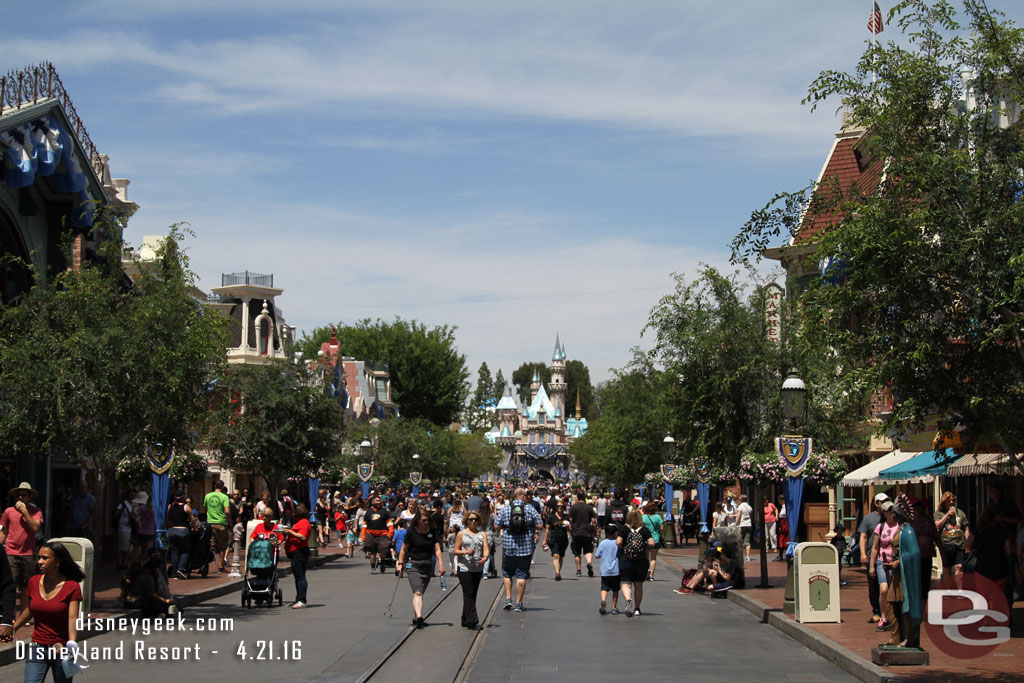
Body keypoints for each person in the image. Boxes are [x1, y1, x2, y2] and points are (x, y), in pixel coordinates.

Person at [12, 541, 83, 683]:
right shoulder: (33, 582)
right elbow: (32, 609)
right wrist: (12, 628)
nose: (40, 562)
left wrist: (71, 645)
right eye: (38, 558)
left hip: (62, 648)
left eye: (45, 558)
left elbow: (72, 618)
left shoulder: (72, 587)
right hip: (37, 647)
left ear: (57, 562)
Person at [496, 487, 543, 612]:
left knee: (507, 573)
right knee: (521, 575)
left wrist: (506, 526)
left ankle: (508, 599)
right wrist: (530, 526)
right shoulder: (530, 509)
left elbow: (496, 525)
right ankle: (518, 603)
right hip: (525, 547)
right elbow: (540, 525)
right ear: (522, 496)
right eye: (526, 495)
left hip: (508, 547)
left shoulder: (506, 509)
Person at [0, 482, 44, 616]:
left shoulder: (36, 512)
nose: (20, 498)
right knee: (10, 584)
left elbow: (35, 527)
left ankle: (24, 615)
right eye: (18, 495)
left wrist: (25, 511)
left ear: (29, 496)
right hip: (11, 553)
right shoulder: (9, 512)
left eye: (23, 495)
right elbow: (4, 531)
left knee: (26, 586)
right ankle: (9, 614)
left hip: (28, 553)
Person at [396, 510, 445, 628]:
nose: (426, 522)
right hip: (413, 564)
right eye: (424, 520)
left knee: (420, 592)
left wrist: (441, 564)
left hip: (427, 565)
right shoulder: (411, 532)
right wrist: (400, 563)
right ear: (417, 520)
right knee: (417, 591)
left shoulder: (432, 532)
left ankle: (415, 617)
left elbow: (437, 549)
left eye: (428, 520)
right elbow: (403, 549)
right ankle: (419, 617)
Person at [454, 511, 489, 629]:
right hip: (464, 567)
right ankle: (472, 619)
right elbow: (456, 550)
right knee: (468, 592)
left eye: (475, 519)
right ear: (466, 521)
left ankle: (464, 618)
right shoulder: (461, 534)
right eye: (470, 519)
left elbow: (486, 548)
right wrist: (465, 552)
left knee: (473, 593)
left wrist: (485, 557)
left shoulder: (482, 534)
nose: (473, 521)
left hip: (477, 567)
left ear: (479, 521)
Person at [869, 500, 899, 632]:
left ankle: (896, 617)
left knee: (896, 590)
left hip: (896, 561)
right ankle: (884, 617)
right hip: (883, 561)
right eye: (890, 510)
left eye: (894, 510)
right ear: (885, 513)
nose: (892, 513)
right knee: (884, 590)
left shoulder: (900, 526)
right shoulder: (880, 527)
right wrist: (871, 565)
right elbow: (875, 547)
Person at [619, 507, 655, 616]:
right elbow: (652, 543)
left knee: (626, 583)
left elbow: (618, 542)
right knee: (638, 585)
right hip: (641, 560)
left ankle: (628, 599)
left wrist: (624, 547)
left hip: (627, 559)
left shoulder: (623, 529)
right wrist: (643, 547)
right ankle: (637, 608)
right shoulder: (644, 530)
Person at [859, 492, 888, 623]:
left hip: (887, 557)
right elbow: (863, 537)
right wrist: (863, 553)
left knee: (886, 586)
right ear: (877, 504)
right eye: (882, 501)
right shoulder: (869, 518)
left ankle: (886, 612)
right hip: (873, 557)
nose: (885, 504)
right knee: (873, 587)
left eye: (887, 500)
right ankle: (876, 611)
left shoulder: (891, 517)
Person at [280, 503, 312, 608]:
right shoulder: (300, 522)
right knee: (297, 576)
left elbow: (302, 536)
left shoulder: (303, 523)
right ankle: (298, 598)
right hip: (295, 552)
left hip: (299, 552)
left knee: (300, 576)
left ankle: (302, 599)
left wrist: (290, 532)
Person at [934, 492, 969, 579]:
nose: (951, 502)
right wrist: (947, 515)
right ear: (944, 502)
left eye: (953, 500)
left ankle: (959, 590)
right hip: (946, 544)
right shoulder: (939, 513)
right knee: (947, 568)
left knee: (959, 567)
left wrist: (968, 542)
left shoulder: (960, 513)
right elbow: (937, 525)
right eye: (949, 501)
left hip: (960, 544)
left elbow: (966, 529)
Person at [203, 482, 231, 573]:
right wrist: (230, 521)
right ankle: (221, 566)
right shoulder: (224, 497)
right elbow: (227, 511)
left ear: (214, 486)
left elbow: (204, 509)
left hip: (210, 523)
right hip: (221, 524)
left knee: (210, 546)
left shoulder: (207, 496)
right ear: (222, 487)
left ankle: (205, 564)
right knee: (222, 546)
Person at [361, 496, 393, 574]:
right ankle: (373, 568)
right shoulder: (368, 512)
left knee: (383, 550)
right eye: (377, 501)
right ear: (373, 502)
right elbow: (364, 525)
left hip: (383, 534)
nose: (378, 502)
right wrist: (363, 535)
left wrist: (390, 533)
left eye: (380, 501)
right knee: (372, 552)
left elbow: (390, 523)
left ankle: (382, 563)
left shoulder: (385, 511)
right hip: (370, 534)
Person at [166, 492, 194, 579]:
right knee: (185, 551)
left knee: (174, 552)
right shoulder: (186, 507)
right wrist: (194, 528)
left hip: (171, 530)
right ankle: (181, 568)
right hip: (183, 530)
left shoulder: (169, 506)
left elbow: (166, 519)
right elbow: (192, 519)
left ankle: (174, 573)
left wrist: (167, 528)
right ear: (182, 498)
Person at [569, 494, 597, 578]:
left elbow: (570, 519)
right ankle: (588, 562)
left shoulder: (573, 507)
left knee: (577, 552)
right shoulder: (589, 507)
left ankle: (579, 570)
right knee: (588, 550)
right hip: (587, 532)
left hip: (576, 532)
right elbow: (593, 521)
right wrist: (595, 532)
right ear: (584, 498)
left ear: (578, 498)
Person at [595, 526, 620, 615]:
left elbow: (597, 555)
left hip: (605, 570)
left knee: (604, 588)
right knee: (615, 590)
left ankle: (603, 600)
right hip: (615, 570)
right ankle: (613, 607)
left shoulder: (603, 543)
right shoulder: (617, 543)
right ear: (615, 533)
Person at [541, 502, 570, 581]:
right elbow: (547, 529)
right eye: (558, 506)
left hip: (563, 539)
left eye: (561, 506)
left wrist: (568, 527)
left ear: (564, 508)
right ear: (556, 508)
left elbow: (569, 530)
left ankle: (558, 571)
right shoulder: (552, 517)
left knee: (560, 556)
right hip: (554, 538)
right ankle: (557, 573)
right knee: (555, 555)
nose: (560, 508)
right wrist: (544, 540)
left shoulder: (566, 517)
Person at [114, 489, 135, 570]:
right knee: (122, 547)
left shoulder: (134, 505)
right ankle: (120, 564)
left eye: (134, 495)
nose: (133, 497)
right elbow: (116, 514)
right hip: (123, 528)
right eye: (132, 495)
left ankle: (125, 563)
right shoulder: (122, 504)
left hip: (131, 528)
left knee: (128, 548)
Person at [133, 491, 156, 556]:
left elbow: (133, 516)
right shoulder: (154, 508)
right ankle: (146, 564)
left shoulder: (142, 507)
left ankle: (142, 563)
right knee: (149, 552)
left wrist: (139, 521)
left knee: (143, 551)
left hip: (142, 531)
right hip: (151, 532)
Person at [736, 494, 754, 563]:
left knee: (739, 541)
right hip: (748, 525)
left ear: (741, 500)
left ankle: (739, 556)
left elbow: (738, 515)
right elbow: (751, 515)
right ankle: (748, 557)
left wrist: (736, 523)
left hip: (742, 525)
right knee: (747, 542)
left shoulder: (740, 506)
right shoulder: (749, 507)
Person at [776, 495, 789, 560]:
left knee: (782, 538)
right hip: (784, 523)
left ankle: (781, 555)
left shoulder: (785, 507)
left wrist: (781, 526)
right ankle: (785, 555)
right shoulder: (784, 507)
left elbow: (783, 514)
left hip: (784, 523)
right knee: (784, 538)